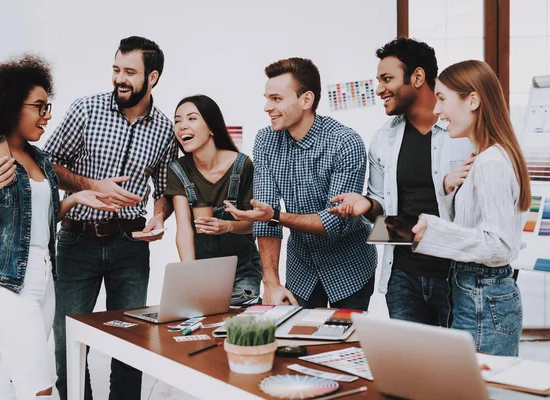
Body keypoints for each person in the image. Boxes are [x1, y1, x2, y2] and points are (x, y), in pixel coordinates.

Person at [0, 55, 115, 400]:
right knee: (41, 386)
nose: (48, 115)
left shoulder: (40, 159)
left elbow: (35, 222)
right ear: (11, 106)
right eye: (39, 107)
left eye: (48, 106)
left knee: (13, 378)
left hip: (44, 279)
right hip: (7, 285)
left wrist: (75, 199)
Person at [43, 36, 178, 399]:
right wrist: (90, 184)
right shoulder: (85, 110)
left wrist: (159, 218)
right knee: (67, 341)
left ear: (153, 77)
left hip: (130, 245)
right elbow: (47, 166)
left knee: (131, 342)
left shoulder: (165, 129)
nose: (120, 78)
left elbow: (164, 189)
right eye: (116, 69)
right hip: (76, 241)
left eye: (130, 72)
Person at [329, 38, 474, 327]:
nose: (379, 89)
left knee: (455, 368)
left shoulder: (467, 132)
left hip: (457, 277)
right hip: (402, 277)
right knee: (410, 367)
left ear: (417, 77)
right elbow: (383, 213)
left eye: (387, 79)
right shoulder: (383, 139)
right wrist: (367, 204)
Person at [226, 57, 377, 309]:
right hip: (302, 269)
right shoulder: (265, 140)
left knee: (346, 343)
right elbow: (266, 217)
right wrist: (271, 283)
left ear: (306, 100)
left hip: (350, 267)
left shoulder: (345, 143)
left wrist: (275, 215)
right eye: (266, 98)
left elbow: (334, 223)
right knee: (296, 343)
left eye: (276, 99)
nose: (266, 107)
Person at [411, 60, 530, 356]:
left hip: (483, 293)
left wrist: (433, 232)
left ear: (473, 100)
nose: (436, 111)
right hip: (475, 290)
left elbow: (498, 245)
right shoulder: (482, 157)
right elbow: (475, 227)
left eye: (441, 99)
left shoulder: (491, 162)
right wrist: (449, 189)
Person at [165, 95, 262, 305]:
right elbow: (183, 229)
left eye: (191, 119)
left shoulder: (242, 165)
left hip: (241, 268)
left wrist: (227, 226)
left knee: (238, 332)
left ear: (211, 127)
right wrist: (190, 276)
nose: (182, 126)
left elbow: (254, 224)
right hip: (200, 269)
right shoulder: (177, 170)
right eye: (177, 120)